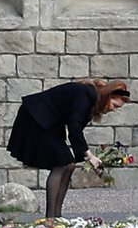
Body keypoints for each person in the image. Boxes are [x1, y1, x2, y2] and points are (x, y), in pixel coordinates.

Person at [7, 79, 131, 218]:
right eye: (114, 105)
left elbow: (75, 132)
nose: (113, 109)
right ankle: (50, 219)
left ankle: (57, 216)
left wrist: (88, 159)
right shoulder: (87, 94)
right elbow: (74, 128)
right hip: (36, 118)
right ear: (108, 96)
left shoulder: (90, 99)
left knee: (70, 164)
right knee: (61, 164)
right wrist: (89, 156)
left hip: (50, 122)